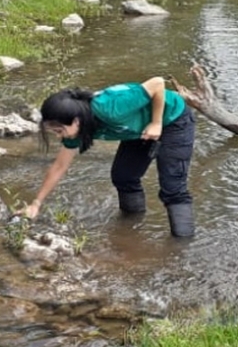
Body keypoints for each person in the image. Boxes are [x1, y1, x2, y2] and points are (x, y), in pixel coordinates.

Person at [18, 76, 196, 237]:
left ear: (76, 121)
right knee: (123, 177)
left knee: (173, 188)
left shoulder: (110, 108)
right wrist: (36, 203)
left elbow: (157, 83)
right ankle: (131, 226)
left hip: (173, 120)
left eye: (59, 131)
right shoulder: (76, 130)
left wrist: (156, 123)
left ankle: (181, 247)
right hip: (136, 129)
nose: (58, 136)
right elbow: (59, 167)